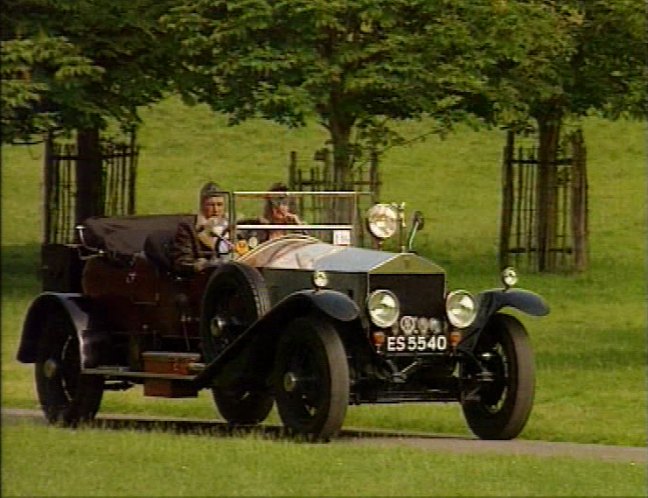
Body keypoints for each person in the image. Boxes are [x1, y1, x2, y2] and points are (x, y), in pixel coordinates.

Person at [171, 182, 230, 273]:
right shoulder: (189, 228)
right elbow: (182, 262)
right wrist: (203, 265)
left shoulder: (230, 226)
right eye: (210, 205)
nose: (216, 210)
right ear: (202, 206)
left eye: (219, 205)